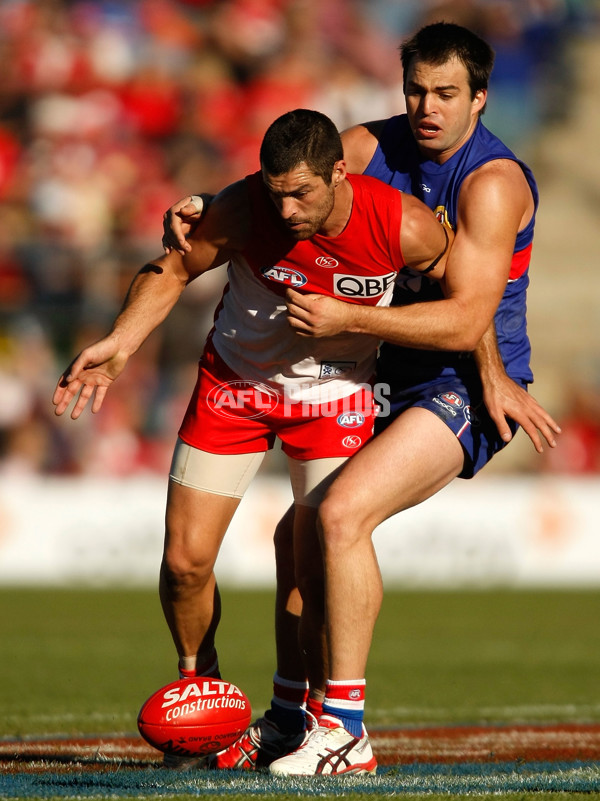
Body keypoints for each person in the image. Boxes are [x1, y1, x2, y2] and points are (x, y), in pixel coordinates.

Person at [161, 22, 560, 775]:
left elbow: (466, 315)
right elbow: (287, 188)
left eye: (447, 93)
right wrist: (209, 209)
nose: (427, 106)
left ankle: (346, 727)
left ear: (480, 98)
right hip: (386, 367)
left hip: (462, 383)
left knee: (343, 515)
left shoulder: (492, 181)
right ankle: (287, 720)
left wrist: (361, 321)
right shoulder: (368, 147)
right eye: (416, 89)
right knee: (295, 539)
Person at [52, 108, 452, 768]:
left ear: (338, 174)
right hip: (235, 385)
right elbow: (172, 270)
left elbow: (469, 298)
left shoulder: (405, 225)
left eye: (302, 192)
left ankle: (310, 719)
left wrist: (489, 371)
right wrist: (122, 341)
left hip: (335, 394)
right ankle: (198, 699)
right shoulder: (243, 210)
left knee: (315, 557)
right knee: (184, 562)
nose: (287, 208)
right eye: (275, 192)